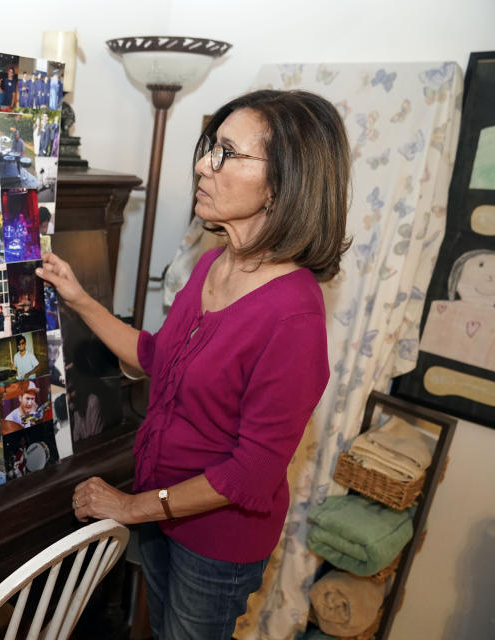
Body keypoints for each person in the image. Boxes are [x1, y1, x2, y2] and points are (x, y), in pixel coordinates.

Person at [37, 89, 349, 640]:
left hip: (215, 544)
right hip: (163, 511)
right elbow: (155, 357)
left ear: (282, 184)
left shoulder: (293, 316)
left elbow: (249, 472)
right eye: (211, 147)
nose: (204, 164)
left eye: (227, 153)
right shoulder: (211, 265)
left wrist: (134, 507)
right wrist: (79, 297)